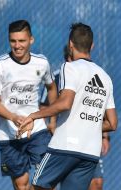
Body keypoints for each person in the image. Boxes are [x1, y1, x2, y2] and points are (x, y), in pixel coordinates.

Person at [18, 22, 118, 190]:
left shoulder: (70, 67)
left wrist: (32, 116)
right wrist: (87, 126)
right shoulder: (105, 77)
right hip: (90, 152)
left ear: (70, 44)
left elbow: (65, 103)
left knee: (38, 186)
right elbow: (113, 123)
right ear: (92, 46)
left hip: (64, 146)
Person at [0, 20, 58, 190]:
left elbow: (52, 89)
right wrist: (13, 117)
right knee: (21, 186)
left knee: (47, 180)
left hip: (37, 130)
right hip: (10, 135)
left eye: (22, 41)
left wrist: (52, 121)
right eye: (13, 41)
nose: (17, 46)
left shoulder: (42, 63)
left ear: (31, 40)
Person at [40, 45, 111, 190]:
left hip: (86, 141)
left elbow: (101, 111)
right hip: (60, 141)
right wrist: (51, 124)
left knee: (96, 183)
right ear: (69, 57)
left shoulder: (98, 76)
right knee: (47, 185)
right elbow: (45, 107)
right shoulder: (59, 76)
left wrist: (104, 137)